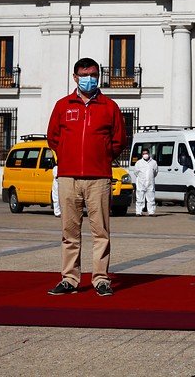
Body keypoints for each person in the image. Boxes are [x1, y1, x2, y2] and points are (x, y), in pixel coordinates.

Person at [46, 57, 126, 297]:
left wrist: (101, 156)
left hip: (99, 178)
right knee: (70, 231)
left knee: (101, 231)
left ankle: (101, 278)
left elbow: (118, 140)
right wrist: (70, 157)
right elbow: (53, 137)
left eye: (93, 74)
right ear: (75, 77)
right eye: (84, 75)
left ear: (98, 77)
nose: (89, 79)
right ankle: (70, 278)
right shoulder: (63, 105)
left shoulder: (109, 107)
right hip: (68, 178)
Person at [132, 147, 159, 217]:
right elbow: (136, 172)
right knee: (140, 198)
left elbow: (155, 172)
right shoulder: (138, 163)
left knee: (151, 198)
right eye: (143, 153)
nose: (145, 155)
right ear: (142, 154)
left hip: (150, 183)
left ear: (149, 154)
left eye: (146, 153)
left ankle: (151, 212)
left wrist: (150, 178)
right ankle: (138, 212)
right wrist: (142, 178)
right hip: (141, 183)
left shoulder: (153, 162)